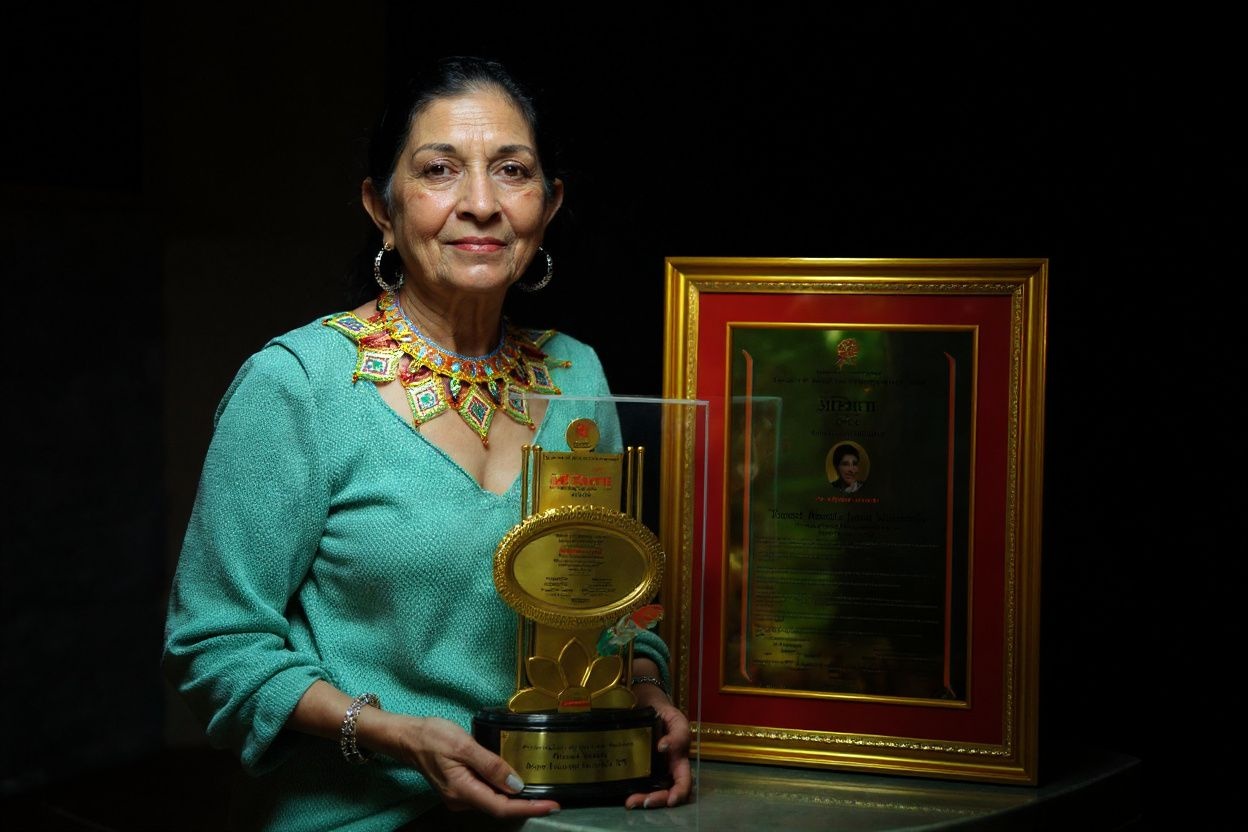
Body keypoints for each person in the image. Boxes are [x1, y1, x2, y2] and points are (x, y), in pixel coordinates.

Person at [163, 56, 690, 831]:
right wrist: (393, 736)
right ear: (383, 206)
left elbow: (609, 599)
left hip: (563, 813)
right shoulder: (296, 385)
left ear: (548, 205)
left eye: (512, 171)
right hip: (362, 815)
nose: (481, 204)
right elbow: (216, 641)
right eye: (440, 170)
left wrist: (644, 690)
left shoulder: (578, 372)